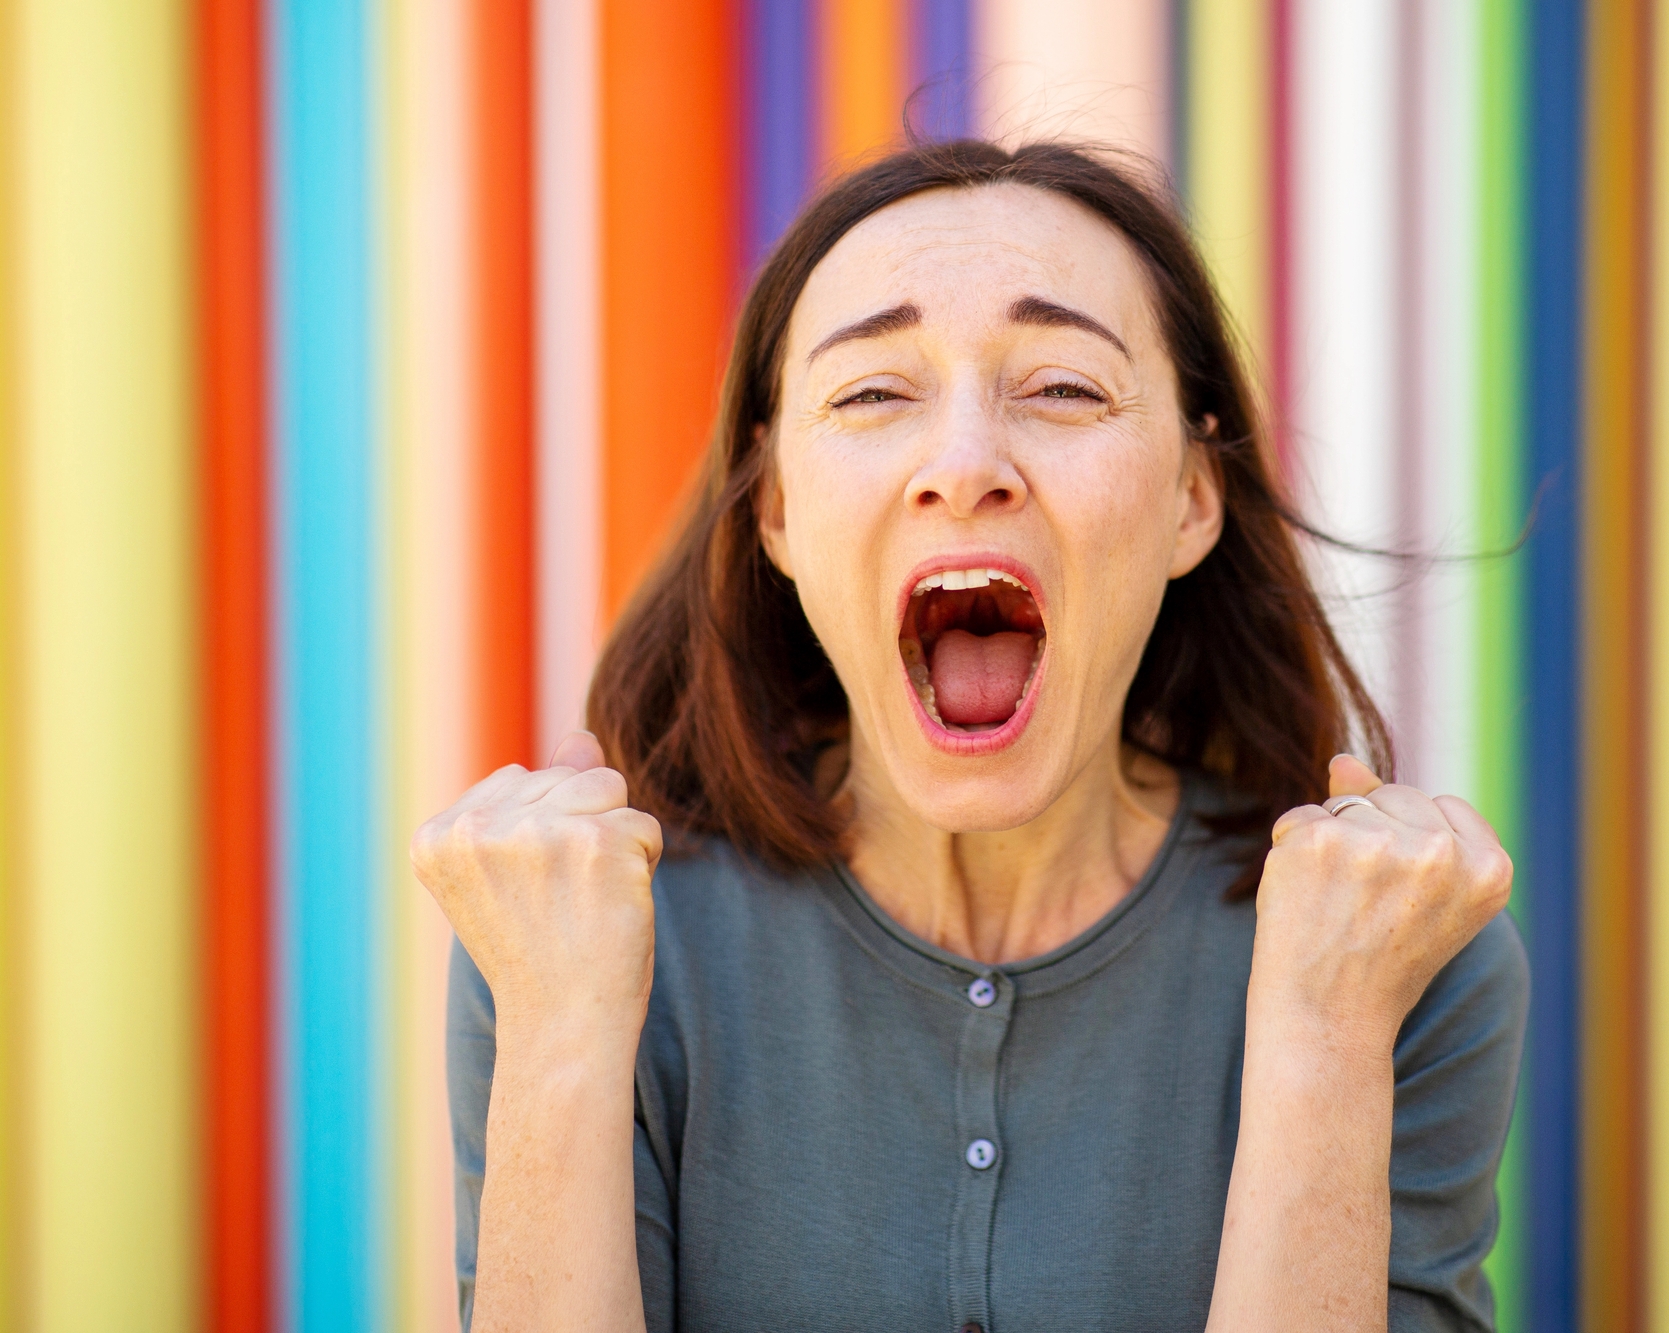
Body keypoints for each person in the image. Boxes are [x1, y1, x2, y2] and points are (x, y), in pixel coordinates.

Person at [416, 139, 1526, 1333]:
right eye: (872, 392)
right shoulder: (576, 946)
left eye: (1061, 387)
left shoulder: (1390, 957)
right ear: (779, 509)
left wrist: (1321, 1036)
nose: (962, 465)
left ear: (1190, 499)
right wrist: (562, 1033)